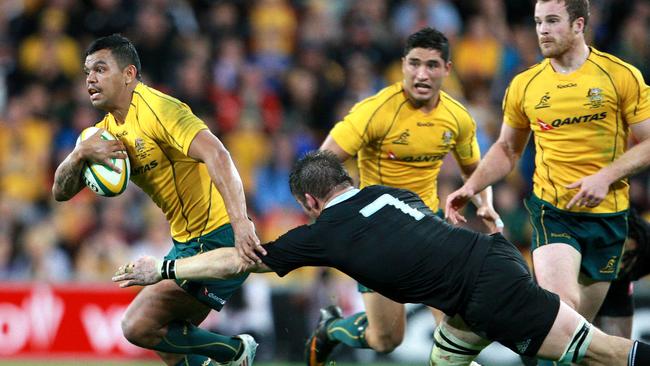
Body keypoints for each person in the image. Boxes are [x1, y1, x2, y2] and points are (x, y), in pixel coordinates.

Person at [113, 151, 650, 366]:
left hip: (485, 291)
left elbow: (234, 262)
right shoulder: (393, 192)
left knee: (594, 352)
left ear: (308, 201)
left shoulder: (321, 233)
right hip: (492, 259)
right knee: (446, 360)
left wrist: (161, 269)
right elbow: (405, 236)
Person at [446, 2, 650, 363]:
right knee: (561, 311)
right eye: (538, 21)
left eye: (552, 21)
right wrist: (472, 185)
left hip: (608, 218)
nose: (542, 30)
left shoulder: (620, 75)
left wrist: (606, 176)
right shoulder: (526, 84)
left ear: (578, 24)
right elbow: (508, 149)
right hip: (552, 212)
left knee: (575, 339)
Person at [52, 34, 263, 366]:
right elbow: (60, 192)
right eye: (87, 71)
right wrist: (78, 154)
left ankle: (235, 352)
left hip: (217, 234)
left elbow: (218, 155)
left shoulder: (160, 109)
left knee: (138, 324)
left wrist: (240, 224)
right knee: (166, 341)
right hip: (185, 241)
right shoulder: (103, 136)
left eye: (100, 69)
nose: (90, 78)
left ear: (129, 74)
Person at [319, 26, 502, 362]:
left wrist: (485, 205)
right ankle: (330, 329)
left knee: (453, 318)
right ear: (403, 64)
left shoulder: (458, 118)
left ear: (447, 69)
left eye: (432, 65)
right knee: (386, 339)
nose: (422, 74)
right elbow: (322, 164)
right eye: (414, 63)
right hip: (375, 233)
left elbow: (473, 169)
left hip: (427, 226)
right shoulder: (374, 111)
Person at [594, 209, 650, 337]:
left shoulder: (644, 241)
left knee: (619, 347)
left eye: (626, 256)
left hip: (618, 286)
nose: (620, 264)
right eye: (614, 256)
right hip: (587, 276)